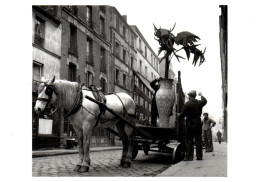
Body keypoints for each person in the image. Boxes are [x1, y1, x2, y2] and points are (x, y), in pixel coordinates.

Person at [178, 90, 207, 161]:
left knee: (189, 139)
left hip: (190, 122)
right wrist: (201, 95)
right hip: (198, 122)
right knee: (198, 139)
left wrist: (179, 116)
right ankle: (199, 156)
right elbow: (205, 101)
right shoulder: (199, 103)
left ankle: (189, 156)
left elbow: (182, 114)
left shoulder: (187, 104)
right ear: (195, 96)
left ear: (189, 96)